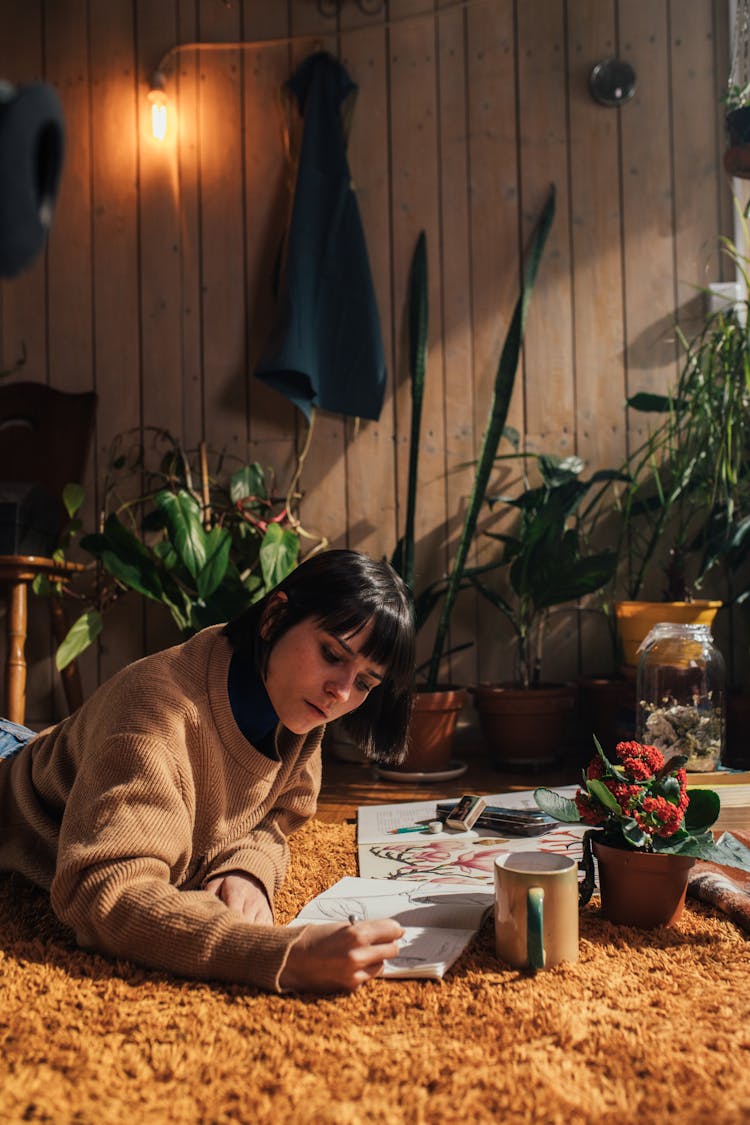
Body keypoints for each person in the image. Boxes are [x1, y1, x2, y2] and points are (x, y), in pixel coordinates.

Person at [0, 549, 415, 993]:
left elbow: (280, 817)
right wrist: (279, 955)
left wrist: (247, 868)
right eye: (332, 654)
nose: (341, 692)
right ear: (274, 617)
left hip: (42, 743)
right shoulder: (155, 718)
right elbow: (104, 891)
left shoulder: (300, 707)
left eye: (366, 683)